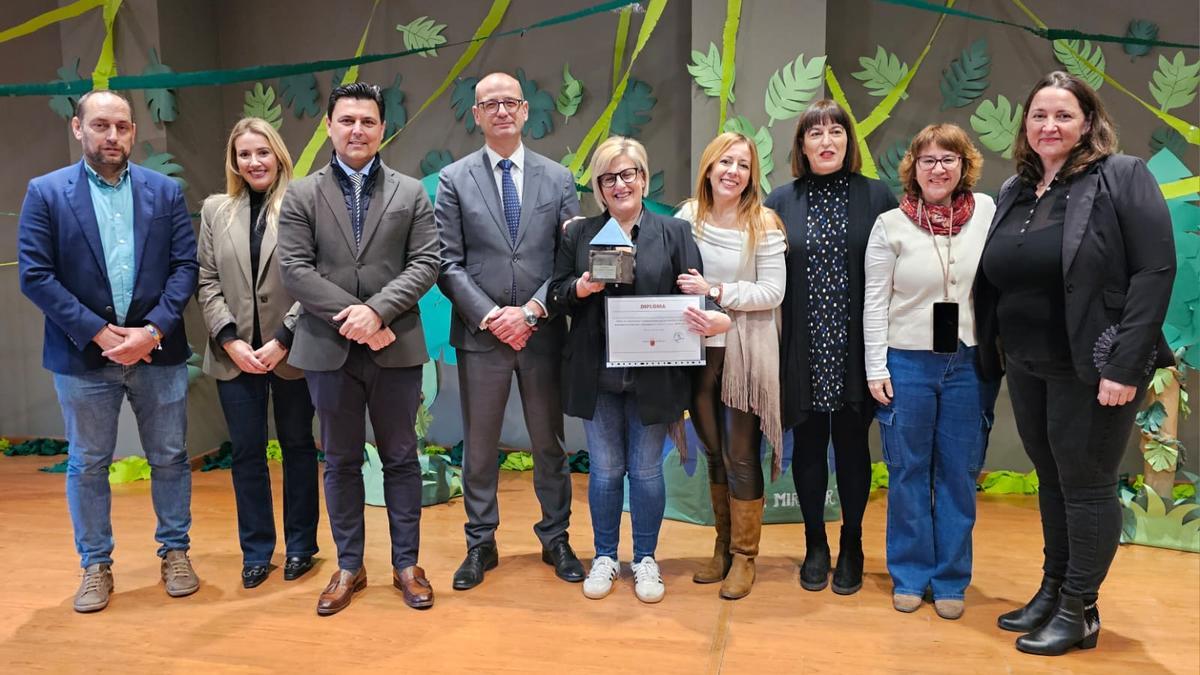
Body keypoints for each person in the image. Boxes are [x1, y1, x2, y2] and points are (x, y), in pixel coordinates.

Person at [975, 71, 1176, 655]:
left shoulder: (1121, 177)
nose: (1049, 125)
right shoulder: (1018, 188)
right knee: (1053, 481)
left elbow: (1154, 272)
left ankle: (1079, 609)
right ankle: (1053, 588)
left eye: (1063, 115)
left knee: (1086, 486)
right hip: (1029, 364)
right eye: (1039, 115)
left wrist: (1124, 364)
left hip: (1094, 366)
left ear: (1088, 122)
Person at [18, 90, 200, 612]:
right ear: (78, 129)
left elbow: (184, 268)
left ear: (134, 132)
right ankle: (95, 565)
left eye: (121, 126)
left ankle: (176, 553)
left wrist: (152, 331)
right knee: (89, 462)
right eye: (100, 126)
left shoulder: (164, 192)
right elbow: (36, 275)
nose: (112, 136)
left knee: (169, 457)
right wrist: (99, 333)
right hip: (82, 357)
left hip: (157, 353)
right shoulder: (47, 193)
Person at [277, 82, 441, 616]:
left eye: (367, 121)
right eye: (347, 120)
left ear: (382, 128)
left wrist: (378, 312)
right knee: (341, 461)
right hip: (327, 349)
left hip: (396, 347)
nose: (357, 130)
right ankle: (350, 565)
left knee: (401, 458)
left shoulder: (411, 192)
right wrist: (356, 318)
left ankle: (406, 564)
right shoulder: (301, 195)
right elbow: (295, 269)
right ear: (329, 126)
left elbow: (427, 262)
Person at [547, 136, 729, 603]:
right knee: (606, 471)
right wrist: (582, 289)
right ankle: (605, 555)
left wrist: (705, 305)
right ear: (599, 188)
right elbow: (557, 293)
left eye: (629, 174)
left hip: (656, 373)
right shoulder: (579, 233)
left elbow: (696, 292)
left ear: (644, 179)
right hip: (597, 374)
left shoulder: (674, 233)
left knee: (646, 471)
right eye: (609, 177)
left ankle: (646, 559)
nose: (620, 184)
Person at [435, 72, 584, 591]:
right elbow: (446, 263)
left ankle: (556, 537)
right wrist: (492, 315)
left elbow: (571, 256)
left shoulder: (558, 178)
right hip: (482, 336)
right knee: (478, 447)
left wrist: (534, 311)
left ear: (524, 111)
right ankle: (480, 543)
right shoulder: (454, 179)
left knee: (549, 442)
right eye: (488, 104)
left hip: (543, 334)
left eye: (510, 103)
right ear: (476, 115)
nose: (500, 111)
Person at [863, 123, 998, 619]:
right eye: (928, 161)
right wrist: (875, 364)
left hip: (969, 363)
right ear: (913, 169)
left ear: (964, 165)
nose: (937, 169)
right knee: (908, 471)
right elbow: (874, 302)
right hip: (906, 363)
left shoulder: (986, 212)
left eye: (948, 159)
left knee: (959, 474)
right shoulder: (890, 224)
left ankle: (950, 580)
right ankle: (910, 574)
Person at [765, 99, 898, 596]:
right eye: (815, 133)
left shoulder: (877, 197)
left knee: (851, 448)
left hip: (855, 346)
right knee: (808, 447)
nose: (826, 141)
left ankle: (854, 542)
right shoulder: (780, 202)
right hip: (801, 345)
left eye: (835, 131)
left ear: (848, 140)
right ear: (802, 145)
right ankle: (815, 543)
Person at [197, 117, 320, 589]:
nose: (254, 162)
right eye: (244, 154)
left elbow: (313, 279)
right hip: (234, 356)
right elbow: (206, 279)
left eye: (262, 152)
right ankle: (256, 551)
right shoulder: (215, 210)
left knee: (298, 449)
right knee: (246, 454)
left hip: (290, 352)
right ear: (234, 161)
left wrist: (282, 339)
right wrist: (229, 338)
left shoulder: (303, 203)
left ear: (279, 156)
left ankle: (303, 547)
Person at [674, 132, 786, 600]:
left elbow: (772, 293)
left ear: (751, 175)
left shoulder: (764, 224)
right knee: (714, 453)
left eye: (742, 164)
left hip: (745, 351)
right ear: (708, 167)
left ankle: (745, 557)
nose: (732, 171)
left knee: (742, 455)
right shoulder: (687, 217)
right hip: (696, 354)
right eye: (725, 161)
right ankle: (721, 546)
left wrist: (718, 292)